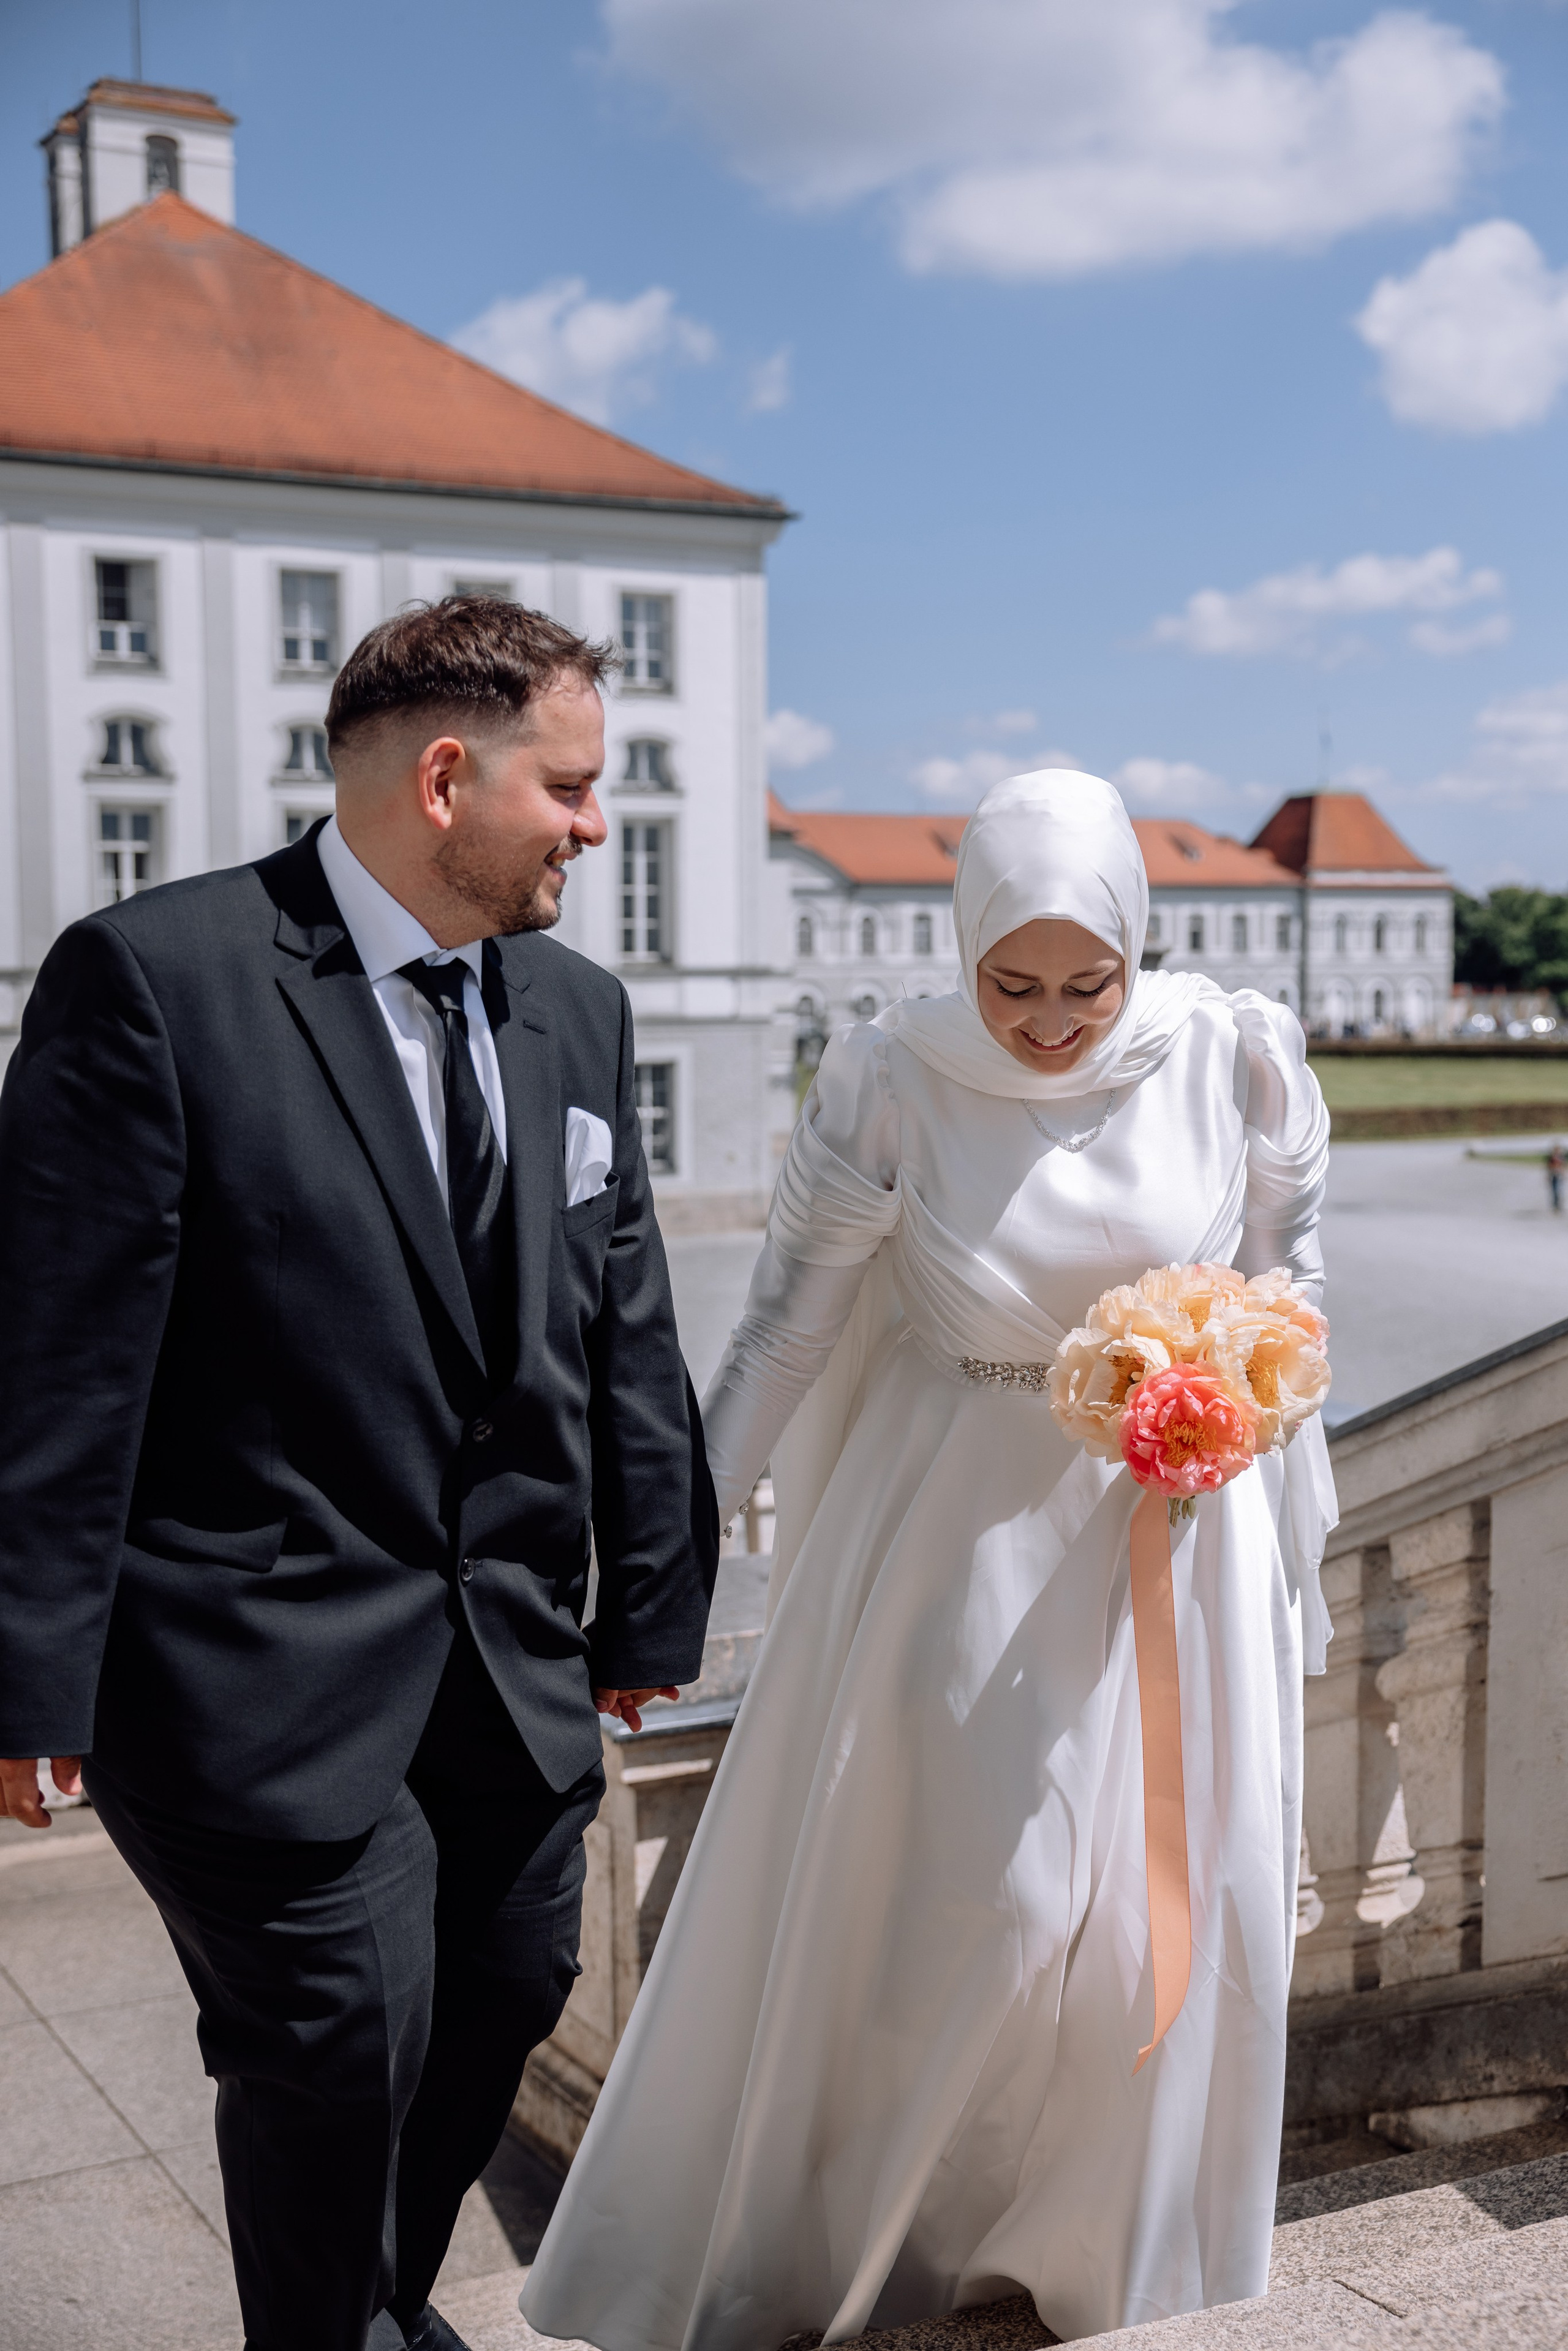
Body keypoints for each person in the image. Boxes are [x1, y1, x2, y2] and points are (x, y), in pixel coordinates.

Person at [522, 771, 1336, 2349]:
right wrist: (660, 1572)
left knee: (1161, 1919)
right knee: (997, 1902)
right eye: (1009, 982)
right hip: (964, 1532)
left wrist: (1258, 1435)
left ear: (1135, 941)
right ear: (962, 948)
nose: (1046, 1019)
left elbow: (1286, 1278)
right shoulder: (890, 1073)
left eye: (1084, 984)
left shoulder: (1234, 1054)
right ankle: (889, 2239)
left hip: (1175, 1530)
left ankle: (1108, 2249)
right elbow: (778, 1330)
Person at [0, 598, 718, 2351]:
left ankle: (378, 2305)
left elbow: (622, 1317)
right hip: (250, 1667)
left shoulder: (578, 1005)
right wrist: (23, 1672)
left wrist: (652, 1597)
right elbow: (58, 1356)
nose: (595, 827)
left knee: (504, 1993)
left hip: (513, 1671)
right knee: (332, 2047)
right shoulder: (155, 978)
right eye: (570, 787)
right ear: (449, 776)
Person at [1548, 1141, 1564, 1213]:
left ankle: (1558, 1205)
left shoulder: (1561, 1158)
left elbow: (1563, 1166)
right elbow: (1549, 1167)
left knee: (1559, 1191)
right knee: (1555, 1191)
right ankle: (1555, 1206)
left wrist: (1564, 1173)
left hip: (1559, 1176)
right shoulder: (1552, 1158)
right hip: (1554, 1176)